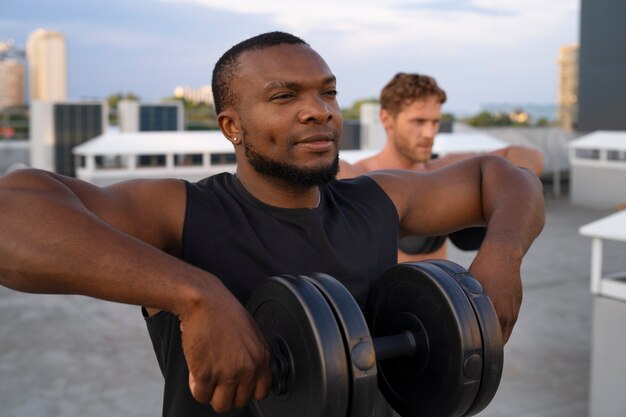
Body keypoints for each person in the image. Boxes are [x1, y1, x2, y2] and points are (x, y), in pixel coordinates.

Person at [0, 32, 544, 417]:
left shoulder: (377, 200)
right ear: (231, 126)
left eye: (327, 92)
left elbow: (500, 177)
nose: (320, 111)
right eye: (285, 96)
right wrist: (195, 295)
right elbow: (13, 213)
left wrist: (501, 257)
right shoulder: (179, 211)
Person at [338, 72, 545, 262]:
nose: (429, 133)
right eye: (418, 122)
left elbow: (531, 157)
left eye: (435, 122)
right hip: (379, 301)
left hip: (441, 299)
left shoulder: (443, 172)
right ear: (386, 118)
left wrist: (500, 245)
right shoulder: (359, 176)